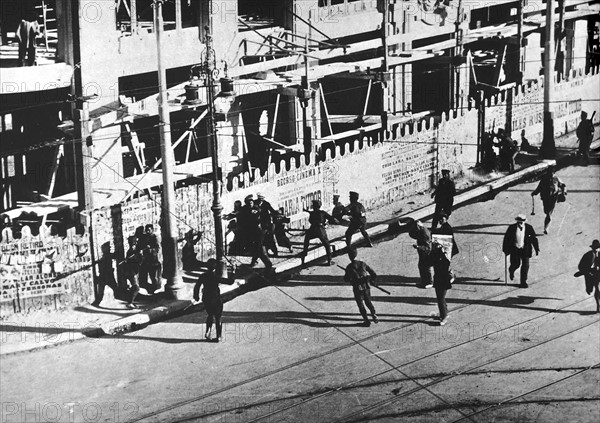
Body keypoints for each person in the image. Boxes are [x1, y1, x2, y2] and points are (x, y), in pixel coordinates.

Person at [344, 247, 379, 327]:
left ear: (349, 256)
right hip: (366, 287)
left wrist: (350, 277)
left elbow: (346, 279)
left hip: (357, 288)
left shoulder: (349, 267)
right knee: (368, 302)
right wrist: (371, 281)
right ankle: (374, 314)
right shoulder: (363, 264)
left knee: (360, 305)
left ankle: (366, 320)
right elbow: (373, 274)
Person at [502, 214, 539, 288]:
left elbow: (534, 239)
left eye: (522, 222)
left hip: (525, 249)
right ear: (517, 221)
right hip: (515, 249)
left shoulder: (529, 228)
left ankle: (523, 282)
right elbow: (506, 239)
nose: (520, 224)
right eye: (519, 222)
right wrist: (505, 249)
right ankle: (511, 270)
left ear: (524, 222)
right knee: (516, 264)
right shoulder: (511, 228)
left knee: (525, 266)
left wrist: (536, 248)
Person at [238, 195, 272, 270]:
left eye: (251, 202)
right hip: (252, 232)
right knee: (257, 247)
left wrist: (255, 213)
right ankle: (256, 262)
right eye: (249, 203)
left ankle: (267, 263)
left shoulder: (256, 208)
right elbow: (241, 214)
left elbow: (259, 213)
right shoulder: (245, 209)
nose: (251, 203)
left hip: (260, 231)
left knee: (259, 247)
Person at [193, 259, 224, 341]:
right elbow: (230, 281)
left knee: (210, 315)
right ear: (215, 267)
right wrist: (233, 272)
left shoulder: (203, 276)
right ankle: (219, 336)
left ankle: (208, 331)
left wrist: (196, 296)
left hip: (206, 299)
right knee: (218, 317)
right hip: (216, 299)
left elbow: (197, 286)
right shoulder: (216, 276)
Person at [301, 200, 336, 266]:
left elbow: (310, 220)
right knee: (327, 244)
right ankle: (329, 260)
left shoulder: (312, 213)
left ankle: (304, 255)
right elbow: (331, 218)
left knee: (306, 239)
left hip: (313, 229)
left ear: (314, 206)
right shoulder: (322, 213)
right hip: (320, 229)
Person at [531, 169, 566, 234]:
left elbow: (563, 185)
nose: (551, 175)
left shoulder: (556, 178)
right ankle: (547, 222)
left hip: (553, 198)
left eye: (552, 173)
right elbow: (539, 187)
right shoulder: (544, 179)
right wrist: (534, 193)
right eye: (549, 173)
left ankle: (546, 228)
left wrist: (564, 192)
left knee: (548, 213)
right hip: (545, 197)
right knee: (546, 211)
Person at [92, 243, 120, 307]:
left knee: (115, 289)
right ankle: (97, 302)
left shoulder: (108, 255)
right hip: (104, 276)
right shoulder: (104, 256)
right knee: (101, 290)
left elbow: (116, 255)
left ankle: (121, 297)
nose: (109, 249)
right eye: (108, 248)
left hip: (108, 275)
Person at [575, 240, 600, 313]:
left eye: (597, 248)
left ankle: (598, 305)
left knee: (597, 288)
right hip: (590, 274)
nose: (596, 250)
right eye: (594, 248)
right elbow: (580, 266)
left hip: (598, 273)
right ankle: (598, 303)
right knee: (592, 289)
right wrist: (589, 270)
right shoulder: (587, 255)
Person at [431, 242, 452, 325]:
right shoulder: (445, 260)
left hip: (440, 281)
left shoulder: (437, 260)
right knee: (441, 298)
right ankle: (445, 313)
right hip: (444, 281)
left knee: (440, 299)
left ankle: (444, 316)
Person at [409, 219, 434, 289]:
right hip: (423, 253)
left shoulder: (424, 234)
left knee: (426, 267)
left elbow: (427, 247)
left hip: (426, 253)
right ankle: (424, 282)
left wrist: (418, 247)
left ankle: (429, 282)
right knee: (422, 267)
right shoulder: (421, 230)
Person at [138, 224, 162, 294]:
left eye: (149, 230)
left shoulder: (155, 237)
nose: (147, 232)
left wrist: (150, 250)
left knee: (154, 276)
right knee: (144, 276)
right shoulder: (144, 238)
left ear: (152, 230)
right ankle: (149, 289)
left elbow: (158, 249)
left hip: (154, 260)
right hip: (146, 260)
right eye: (146, 230)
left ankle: (156, 289)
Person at [121, 236, 141, 309]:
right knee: (136, 287)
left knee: (134, 287)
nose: (133, 245)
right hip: (132, 272)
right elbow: (133, 262)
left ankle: (131, 301)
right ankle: (130, 302)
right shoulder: (130, 252)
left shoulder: (135, 251)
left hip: (135, 271)